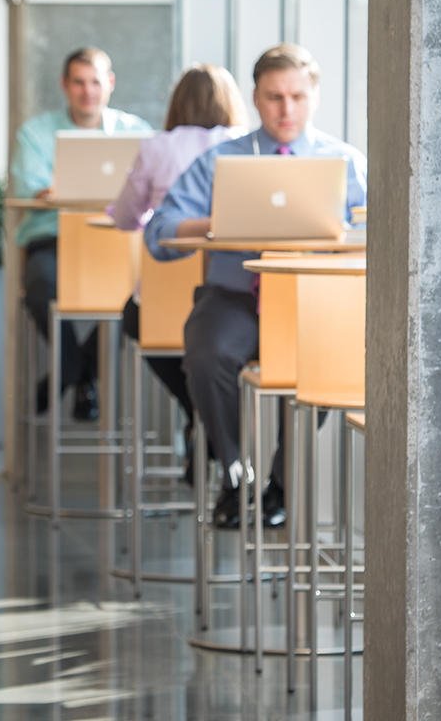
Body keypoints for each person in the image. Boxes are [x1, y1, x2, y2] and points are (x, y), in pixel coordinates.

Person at [144, 44, 366, 529]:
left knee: (328, 360)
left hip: (314, 304)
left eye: (297, 97)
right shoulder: (222, 160)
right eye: (274, 97)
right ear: (255, 97)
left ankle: (279, 485)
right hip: (236, 299)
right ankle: (235, 474)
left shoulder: (345, 162)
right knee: (205, 352)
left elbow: (379, 236)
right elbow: (159, 230)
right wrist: (219, 223)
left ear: (314, 97)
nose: (287, 109)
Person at [12, 47, 152, 419]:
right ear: (64, 85)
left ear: (110, 84)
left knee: (142, 297)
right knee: (40, 284)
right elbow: (34, 187)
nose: (87, 91)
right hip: (54, 238)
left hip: (118, 243)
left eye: (95, 82)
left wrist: (71, 189)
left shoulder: (136, 132)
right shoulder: (36, 132)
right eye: (78, 82)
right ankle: (78, 374)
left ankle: (67, 375)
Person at [110, 64, 248, 432]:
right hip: (238, 301)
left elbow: (125, 218)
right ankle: (210, 416)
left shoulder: (157, 146)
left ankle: (196, 413)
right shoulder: (247, 145)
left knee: (133, 317)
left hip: (163, 299)